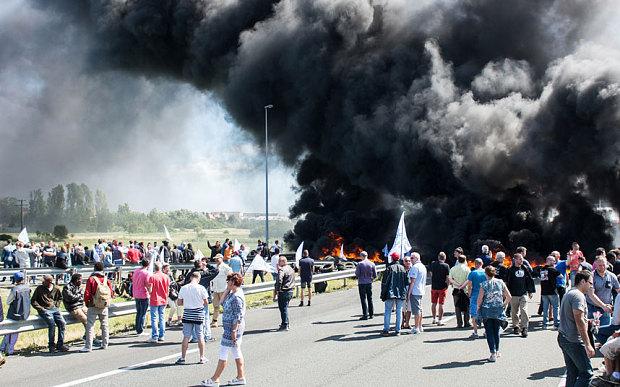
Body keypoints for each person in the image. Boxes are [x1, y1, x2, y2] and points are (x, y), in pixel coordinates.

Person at [201, 273, 247, 387]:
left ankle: (215, 379)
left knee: (223, 351)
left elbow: (238, 316)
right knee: (236, 351)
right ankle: (240, 377)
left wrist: (233, 331)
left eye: (229, 281)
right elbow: (221, 302)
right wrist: (227, 289)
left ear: (233, 282)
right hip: (230, 327)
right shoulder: (233, 293)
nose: (227, 283)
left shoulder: (237, 297)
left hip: (232, 329)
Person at [558, 270, 596, 387]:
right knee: (587, 374)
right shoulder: (578, 296)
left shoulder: (570, 293)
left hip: (564, 337)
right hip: (573, 340)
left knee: (572, 372)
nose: (591, 286)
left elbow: (575, 317)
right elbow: (578, 320)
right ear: (583, 281)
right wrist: (587, 344)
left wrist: (587, 321)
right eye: (590, 283)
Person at [477, 266, 511, 362]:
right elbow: (509, 296)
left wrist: (478, 308)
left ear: (486, 274)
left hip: (487, 310)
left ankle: (492, 353)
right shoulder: (500, 282)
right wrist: (503, 305)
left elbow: (480, 299)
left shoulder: (484, 284)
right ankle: (497, 351)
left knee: (489, 332)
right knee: (496, 331)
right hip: (498, 310)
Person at [176, 272, 209, 365]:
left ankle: (183, 358)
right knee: (200, 335)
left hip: (187, 313)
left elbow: (179, 303)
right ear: (198, 278)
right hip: (198, 313)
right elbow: (206, 302)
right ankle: (202, 357)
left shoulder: (184, 288)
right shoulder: (201, 288)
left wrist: (187, 303)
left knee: (186, 336)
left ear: (191, 278)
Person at [80, 262, 113, 352]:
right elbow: (111, 292)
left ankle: (88, 346)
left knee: (90, 325)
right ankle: (105, 344)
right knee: (105, 325)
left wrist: (87, 303)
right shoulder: (106, 279)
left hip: (93, 305)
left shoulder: (91, 279)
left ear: (94, 268)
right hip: (104, 305)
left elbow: (87, 293)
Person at [32, 274, 68, 353]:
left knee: (62, 323)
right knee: (52, 324)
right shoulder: (39, 288)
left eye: (44, 281)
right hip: (45, 309)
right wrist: (41, 309)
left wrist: (57, 305)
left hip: (54, 309)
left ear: (49, 282)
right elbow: (33, 301)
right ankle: (51, 345)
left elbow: (60, 298)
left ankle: (60, 344)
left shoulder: (56, 288)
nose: (42, 282)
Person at [1, 272, 31, 356]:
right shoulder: (27, 288)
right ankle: (7, 349)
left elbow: (8, 301)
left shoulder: (15, 289)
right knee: (15, 333)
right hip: (25, 314)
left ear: (15, 279)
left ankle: (6, 349)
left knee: (9, 331)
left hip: (14, 314)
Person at [506, 253, 535, 337]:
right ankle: (515, 326)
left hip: (523, 293)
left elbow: (529, 279)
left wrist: (530, 291)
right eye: (520, 259)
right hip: (513, 294)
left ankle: (524, 328)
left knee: (524, 310)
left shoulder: (524, 268)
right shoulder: (510, 270)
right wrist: (506, 294)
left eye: (522, 259)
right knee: (514, 312)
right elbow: (507, 282)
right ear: (515, 260)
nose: (522, 260)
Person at [587, 256, 620, 327]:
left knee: (604, 331)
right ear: (595, 264)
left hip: (606, 310)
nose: (602, 267)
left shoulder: (612, 276)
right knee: (592, 331)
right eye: (600, 265)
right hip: (593, 308)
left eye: (604, 265)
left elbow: (618, 291)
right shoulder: (591, 276)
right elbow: (591, 294)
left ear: (607, 264)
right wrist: (603, 306)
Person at [381, 252, 408, 336]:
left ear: (392, 258)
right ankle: (398, 330)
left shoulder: (389, 268)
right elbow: (407, 282)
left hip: (390, 293)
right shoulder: (403, 269)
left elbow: (384, 283)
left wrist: (383, 293)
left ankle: (386, 330)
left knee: (388, 311)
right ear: (399, 258)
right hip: (400, 293)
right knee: (399, 311)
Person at [462, 258, 486, 338]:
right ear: (482, 264)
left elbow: (469, 286)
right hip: (484, 296)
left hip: (475, 295)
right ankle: (486, 331)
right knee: (485, 313)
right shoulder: (486, 272)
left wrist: (469, 294)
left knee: (474, 314)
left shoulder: (472, 273)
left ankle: (475, 332)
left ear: (475, 264)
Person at [147, 261, 170, 343]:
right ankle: (162, 335)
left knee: (154, 318)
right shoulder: (166, 277)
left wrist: (148, 289)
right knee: (162, 318)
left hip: (154, 299)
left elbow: (150, 290)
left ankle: (154, 336)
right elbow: (167, 289)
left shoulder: (152, 277)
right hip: (163, 299)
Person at [536, 256, 561, 329]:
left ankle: (545, 324)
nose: (554, 262)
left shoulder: (542, 269)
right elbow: (561, 276)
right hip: (552, 291)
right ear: (549, 261)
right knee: (556, 307)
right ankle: (556, 323)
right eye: (553, 261)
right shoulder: (553, 269)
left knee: (545, 308)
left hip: (544, 292)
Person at [408, 252, 428, 334]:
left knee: (416, 310)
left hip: (415, 290)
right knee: (420, 309)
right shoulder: (422, 266)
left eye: (412, 258)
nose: (410, 260)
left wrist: (409, 292)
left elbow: (412, 281)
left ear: (417, 258)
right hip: (421, 290)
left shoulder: (415, 267)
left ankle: (416, 327)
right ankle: (420, 326)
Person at [449, 254, 471, 328]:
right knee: (466, 306)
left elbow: (450, 279)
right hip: (465, 290)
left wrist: (458, 285)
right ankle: (467, 322)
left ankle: (459, 323)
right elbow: (468, 279)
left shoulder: (453, 269)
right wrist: (462, 286)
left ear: (458, 260)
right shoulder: (467, 269)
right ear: (465, 260)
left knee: (457, 306)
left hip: (456, 290)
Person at [211, 254, 232, 328]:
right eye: (215, 259)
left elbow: (230, 277)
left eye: (218, 258)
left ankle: (228, 320)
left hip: (223, 289)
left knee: (226, 306)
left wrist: (229, 289)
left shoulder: (226, 267)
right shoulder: (214, 267)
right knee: (216, 306)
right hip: (215, 289)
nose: (216, 260)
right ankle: (214, 321)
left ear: (221, 258)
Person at [275, 255, 295, 331]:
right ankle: (286, 323)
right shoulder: (291, 269)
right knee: (285, 308)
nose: (278, 263)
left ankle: (285, 324)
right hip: (290, 290)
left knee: (283, 308)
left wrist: (278, 290)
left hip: (284, 291)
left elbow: (279, 280)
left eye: (279, 261)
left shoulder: (282, 270)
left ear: (282, 261)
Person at [355, 251, 377, 320]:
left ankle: (365, 315)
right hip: (369, 283)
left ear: (362, 256)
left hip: (361, 283)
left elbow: (357, 274)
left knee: (363, 299)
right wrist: (371, 279)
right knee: (370, 298)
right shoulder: (372, 264)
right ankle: (371, 314)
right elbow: (375, 275)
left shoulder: (360, 264)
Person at [430, 252, 450, 325]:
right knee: (441, 304)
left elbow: (431, 274)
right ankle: (440, 320)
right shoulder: (446, 266)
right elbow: (448, 278)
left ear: (438, 257)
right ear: (445, 258)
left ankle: (434, 318)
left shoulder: (433, 264)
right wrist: (447, 285)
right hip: (442, 287)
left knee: (434, 303)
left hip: (434, 286)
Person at [132, 258, 150, 335]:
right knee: (143, 313)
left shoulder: (136, 271)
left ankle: (137, 328)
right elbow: (148, 284)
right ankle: (140, 330)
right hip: (143, 294)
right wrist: (150, 292)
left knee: (138, 312)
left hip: (136, 293)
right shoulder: (146, 273)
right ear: (148, 265)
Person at [401, 255, 413, 329]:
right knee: (402, 309)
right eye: (406, 261)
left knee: (409, 308)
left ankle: (407, 323)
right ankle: (402, 322)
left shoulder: (413, 269)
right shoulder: (401, 269)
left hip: (411, 290)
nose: (408, 262)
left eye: (409, 261)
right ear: (403, 262)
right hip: (403, 290)